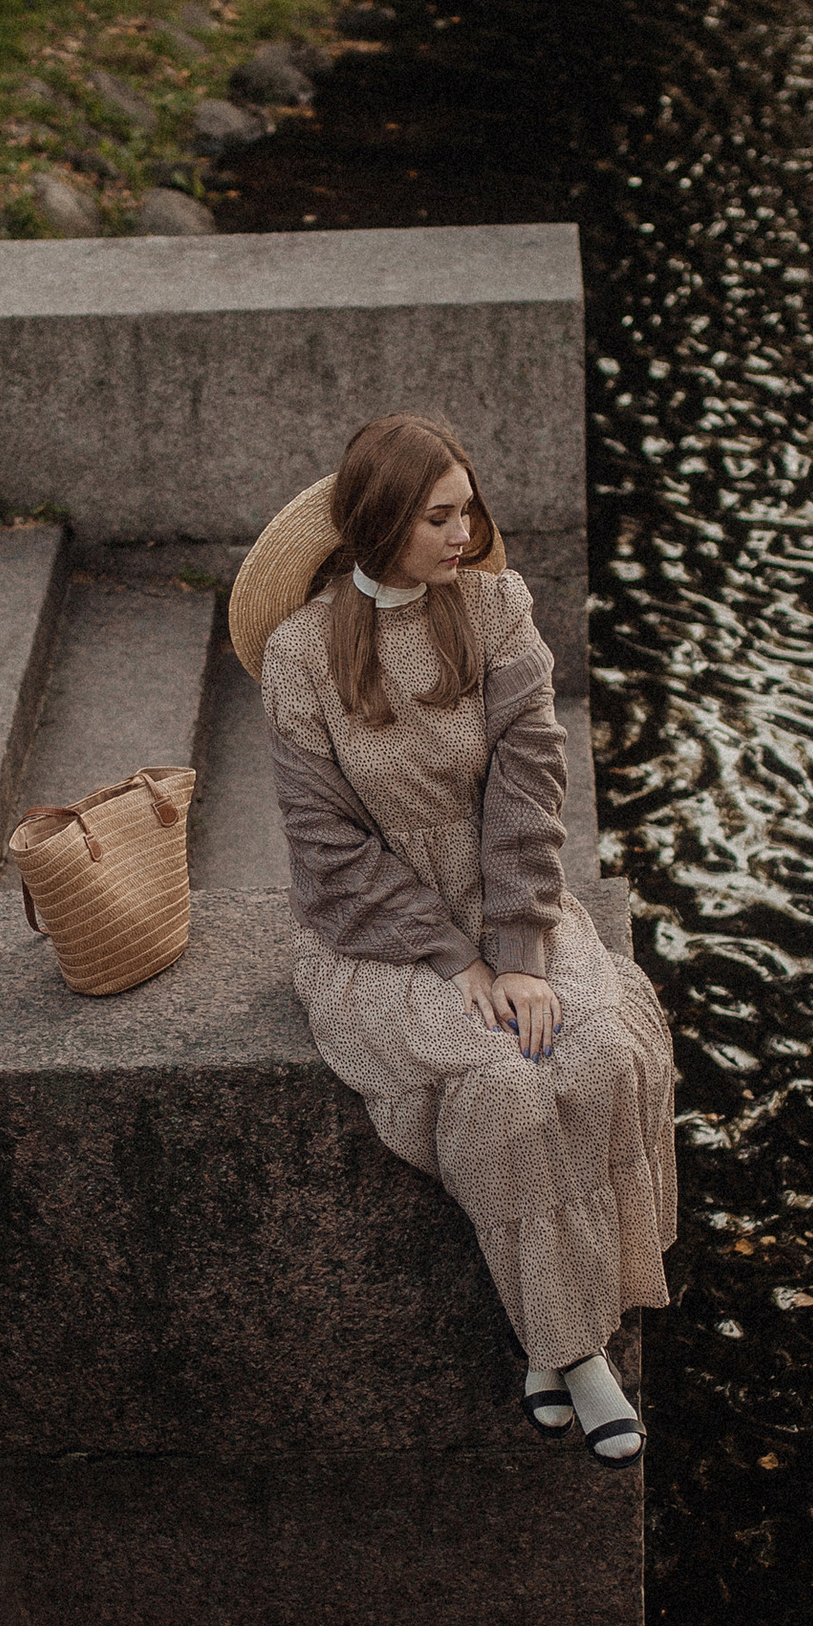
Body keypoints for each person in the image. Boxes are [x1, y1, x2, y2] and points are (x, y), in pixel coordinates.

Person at [234, 411, 677, 1463]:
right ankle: (578, 1353)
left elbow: (531, 786)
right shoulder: (300, 659)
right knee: (503, 1083)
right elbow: (327, 849)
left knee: (603, 1042)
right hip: (378, 934)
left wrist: (517, 952)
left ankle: (556, 1346)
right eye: (439, 516)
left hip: (510, 898)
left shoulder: (497, 611)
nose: (464, 534)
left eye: (468, 509)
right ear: (382, 522)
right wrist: (456, 959)